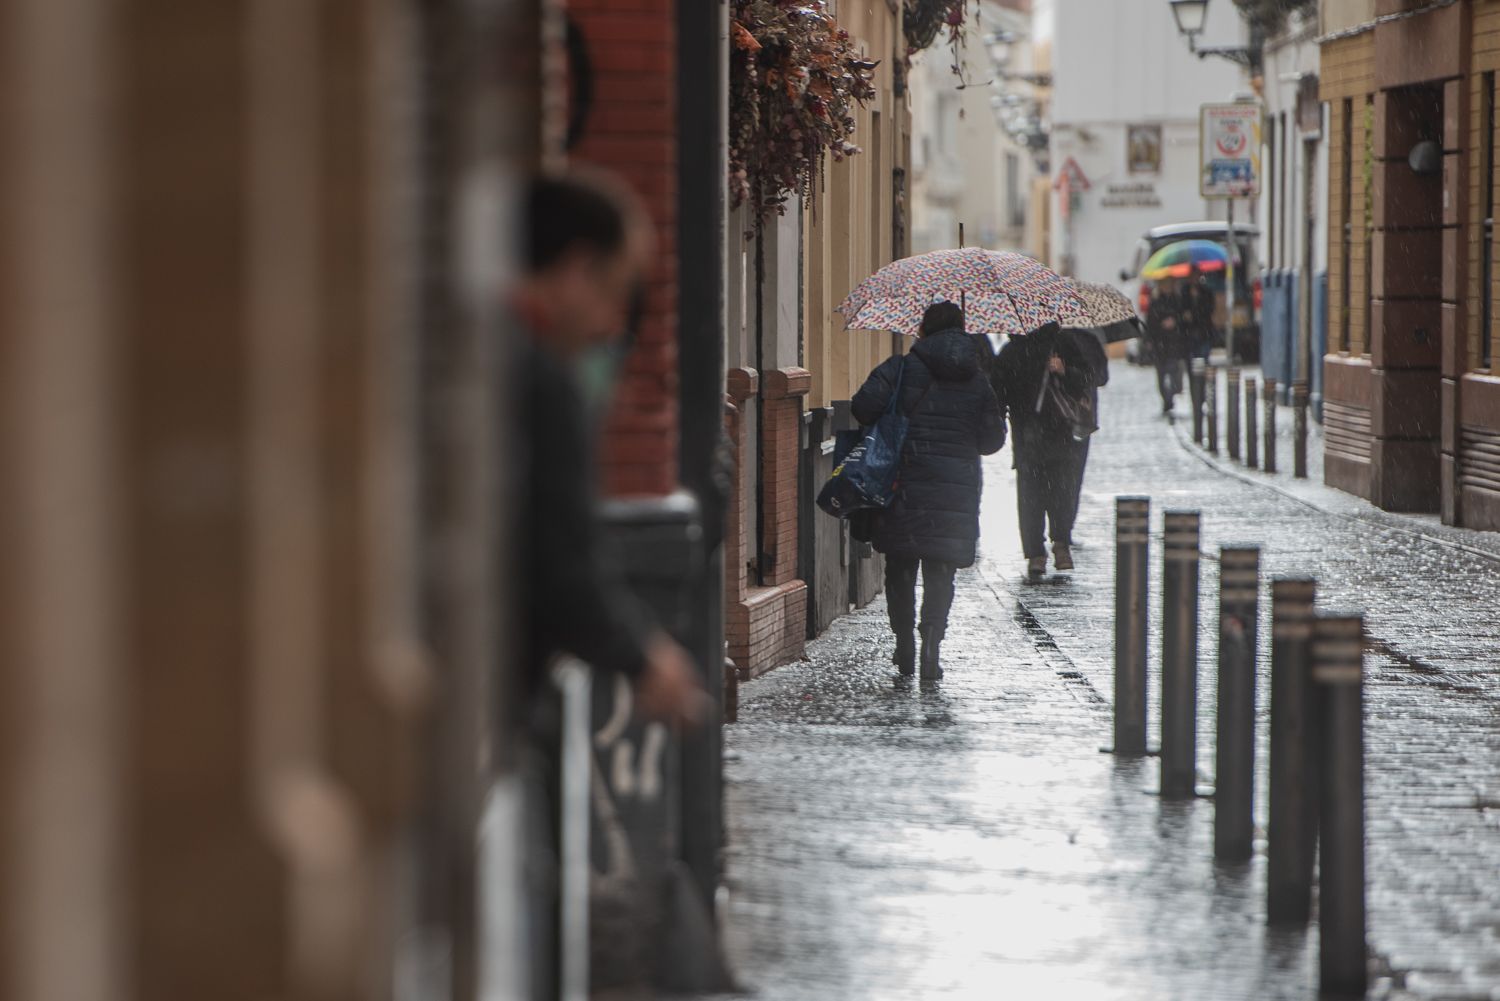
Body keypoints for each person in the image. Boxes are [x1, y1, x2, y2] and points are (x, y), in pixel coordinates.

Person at [514, 169, 708, 728]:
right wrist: (643, 658)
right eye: (617, 292)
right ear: (577, 270)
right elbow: (557, 554)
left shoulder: (474, 351)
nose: (611, 326)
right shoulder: (540, 380)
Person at [851, 301, 1005, 679]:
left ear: (922, 329)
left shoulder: (900, 368)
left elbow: (861, 407)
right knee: (941, 571)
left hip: (903, 485)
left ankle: (904, 643)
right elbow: (991, 442)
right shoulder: (978, 378)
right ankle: (932, 643)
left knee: (901, 568)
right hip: (954, 492)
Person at [992, 321, 1106, 580]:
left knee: (1055, 489)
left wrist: (1064, 370)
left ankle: (1058, 544)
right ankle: (1037, 552)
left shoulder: (1062, 344)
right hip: (1030, 435)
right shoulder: (1013, 351)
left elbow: (1088, 378)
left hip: (1058, 432)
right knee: (1035, 494)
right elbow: (999, 391)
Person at [1144, 278, 1189, 414]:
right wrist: (1150, 339)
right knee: (1161, 374)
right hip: (1159, 343)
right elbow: (1150, 323)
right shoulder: (1155, 302)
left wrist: (1176, 321)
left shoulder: (1178, 300)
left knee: (1174, 371)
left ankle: (1171, 396)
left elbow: (1183, 319)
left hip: (1174, 343)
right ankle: (1166, 400)